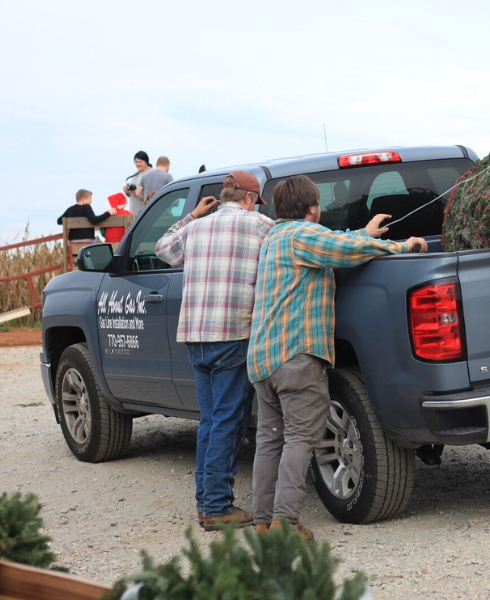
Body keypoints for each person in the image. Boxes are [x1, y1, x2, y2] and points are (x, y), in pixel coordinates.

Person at [247, 175, 427, 542]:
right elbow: (343, 250)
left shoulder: (275, 238)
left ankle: (264, 522)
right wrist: (401, 247)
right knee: (301, 437)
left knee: (270, 440)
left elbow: (336, 243)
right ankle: (285, 522)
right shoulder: (301, 235)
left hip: (263, 359)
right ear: (313, 208)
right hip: (296, 357)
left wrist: (365, 231)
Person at [155, 171, 274, 532]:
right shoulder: (260, 225)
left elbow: (162, 249)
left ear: (223, 197)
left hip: (196, 334)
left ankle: (207, 503)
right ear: (251, 198)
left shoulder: (195, 228)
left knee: (210, 419)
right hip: (233, 333)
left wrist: (192, 214)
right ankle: (217, 506)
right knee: (227, 420)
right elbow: (291, 246)